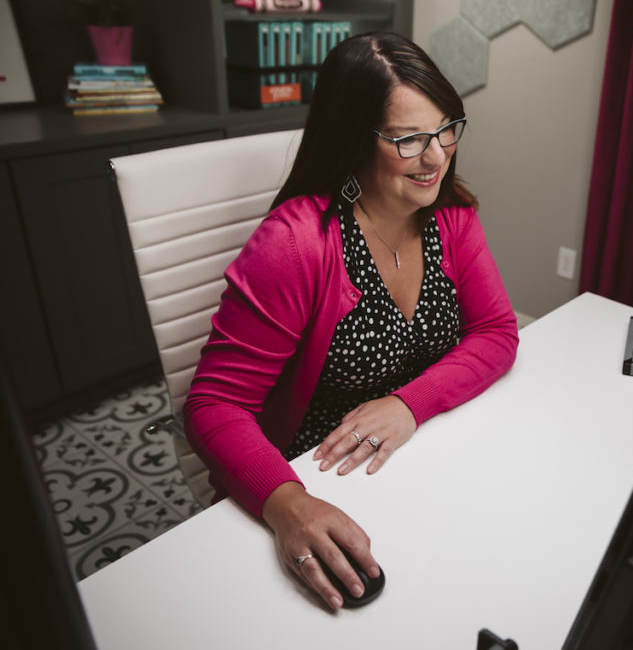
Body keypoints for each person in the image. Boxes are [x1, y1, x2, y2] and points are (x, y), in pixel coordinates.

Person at [183, 31, 519, 610]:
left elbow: (497, 333)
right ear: (353, 139)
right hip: (321, 474)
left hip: (417, 451)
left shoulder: (451, 216)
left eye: (445, 129)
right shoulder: (295, 244)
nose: (437, 156)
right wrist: (288, 503)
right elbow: (212, 406)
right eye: (409, 138)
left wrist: (410, 403)